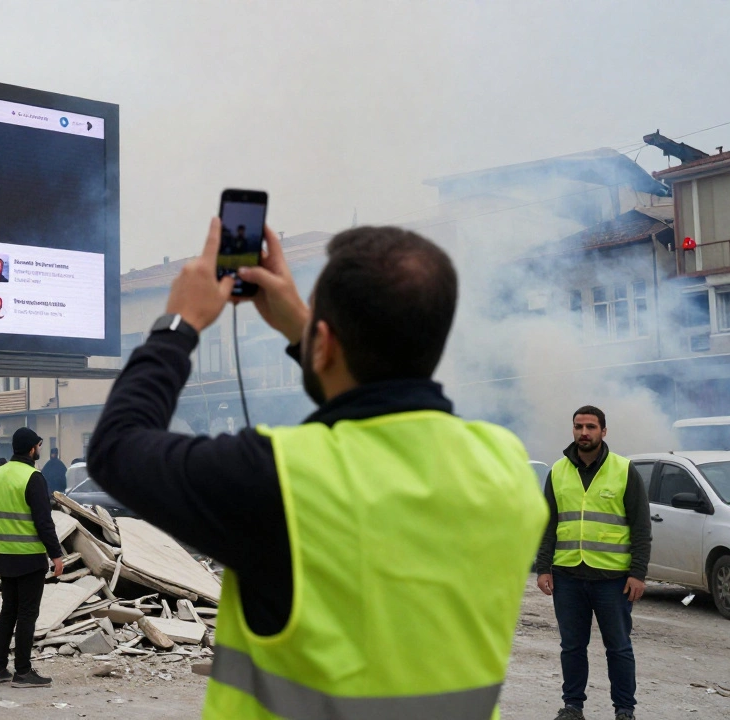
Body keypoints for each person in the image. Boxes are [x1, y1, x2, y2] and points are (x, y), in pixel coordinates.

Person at [87, 221, 547, 718]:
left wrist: (178, 325)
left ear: (324, 344)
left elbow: (117, 446)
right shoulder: (506, 467)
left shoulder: (284, 477)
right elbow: (366, 400)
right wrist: (308, 331)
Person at [536, 406, 650, 720]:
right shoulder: (558, 471)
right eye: (578, 426)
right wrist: (543, 567)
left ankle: (624, 710)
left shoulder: (623, 470)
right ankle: (573, 706)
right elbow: (548, 523)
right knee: (572, 647)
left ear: (603, 431)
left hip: (613, 579)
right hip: (568, 576)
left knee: (619, 647)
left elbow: (641, 527)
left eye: (591, 427)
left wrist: (638, 573)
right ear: (573, 430)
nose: (584, 432)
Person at [0, 428, 64, 687]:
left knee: (8, 610)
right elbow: (44, 521)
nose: (39, 449)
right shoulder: (33, 477)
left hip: (3, 554)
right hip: (29, 556)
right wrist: (56, 555)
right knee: (27, 614)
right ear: (32, 449)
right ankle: (23, 671)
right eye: (38, 446)